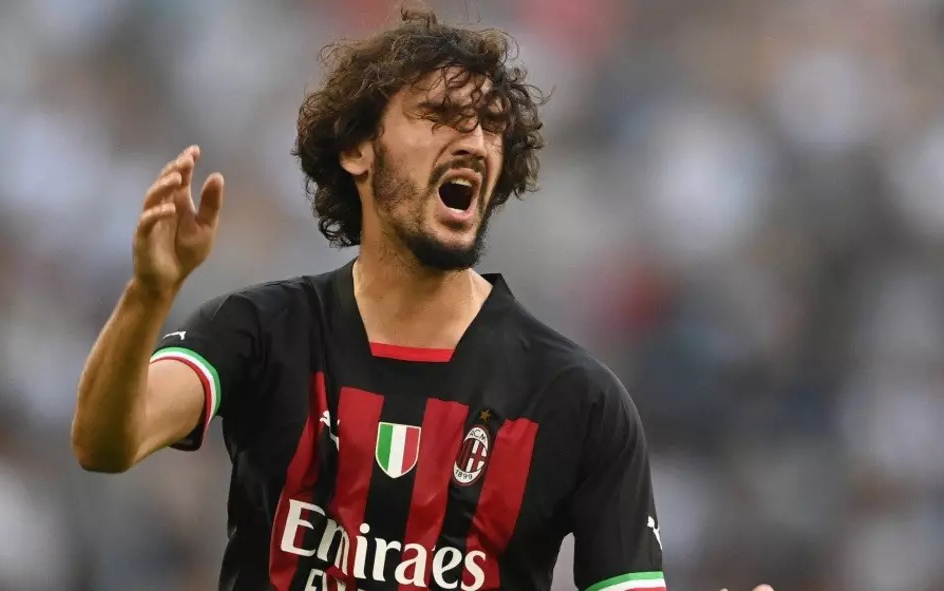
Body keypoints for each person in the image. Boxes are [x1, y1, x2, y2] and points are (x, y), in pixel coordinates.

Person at [71, 9, 772, 591]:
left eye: (490, 125)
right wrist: (149, 294)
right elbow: (105, 443)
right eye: (439, 116)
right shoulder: (260, 331)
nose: (474, 142)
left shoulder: (576, 399)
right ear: (358, 150)